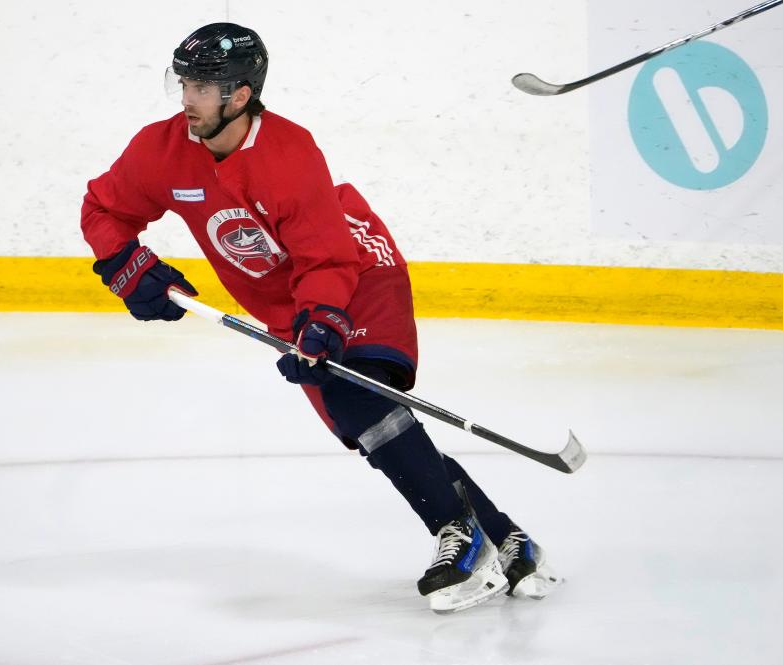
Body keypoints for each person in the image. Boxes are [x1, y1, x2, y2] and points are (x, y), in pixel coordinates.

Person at [81, 22, 562, 613]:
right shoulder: (162, 150)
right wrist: (128, 265)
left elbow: (328, 258)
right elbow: (103, 207)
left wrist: (322, 320)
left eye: (202, 86)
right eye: (183, 82)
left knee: (362, 400)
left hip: (356, 270)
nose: (187, 99)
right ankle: (509, 539)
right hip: (291, 300)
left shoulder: (289, 154)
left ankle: (460, 542)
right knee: (375, 432)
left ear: (240, 93)